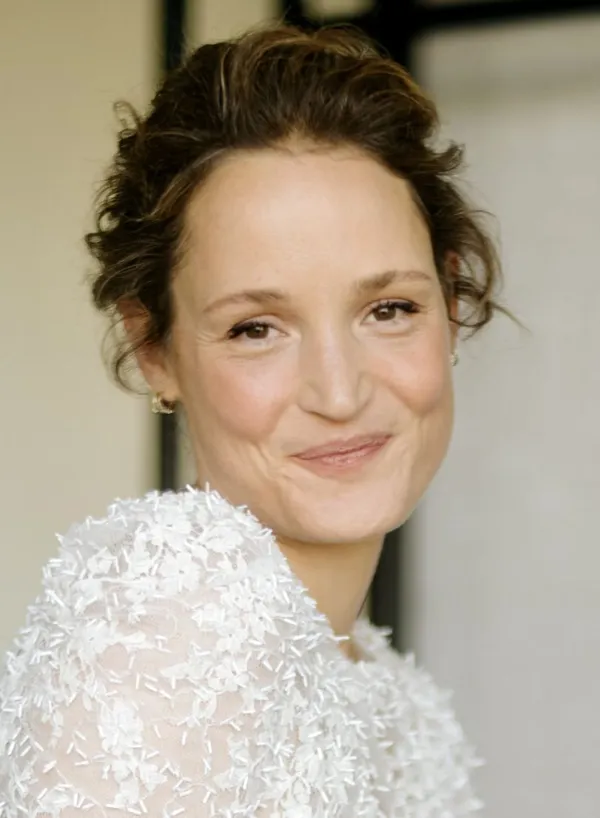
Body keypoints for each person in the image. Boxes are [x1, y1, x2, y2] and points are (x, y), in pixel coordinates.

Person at [0, 22, 502, 817]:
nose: (339, 392)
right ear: (154, 348)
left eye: (388, 309)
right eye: (255, 328)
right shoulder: (164, 638)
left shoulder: (388, 699)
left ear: (449, 300)